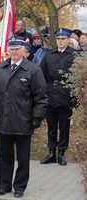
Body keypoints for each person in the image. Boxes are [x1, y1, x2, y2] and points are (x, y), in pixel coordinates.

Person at [0, 36, 48, 198]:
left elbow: (41, 97)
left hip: (23, 120)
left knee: (23, 157)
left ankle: (19, 186)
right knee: (5, 155)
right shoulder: (0, 69)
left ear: (24, 51)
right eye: (11, 49)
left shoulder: (33, 70)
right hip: (4, 120)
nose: (14, 52)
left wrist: (37, 118)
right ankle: (4, 185)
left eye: (17, 49)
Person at [40, 28, 76, 166]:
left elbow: (77, 78)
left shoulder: (73, 55)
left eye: (63, 39)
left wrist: (74, 95)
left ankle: (61, 152)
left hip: (65, 93)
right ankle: (51, 152)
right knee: (51, 125)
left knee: (64, 126)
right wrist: (44, 92)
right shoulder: (49, 55)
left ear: (68, 40)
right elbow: (42, 74)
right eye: (58, 39)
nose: (60, 41)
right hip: (50, 93)